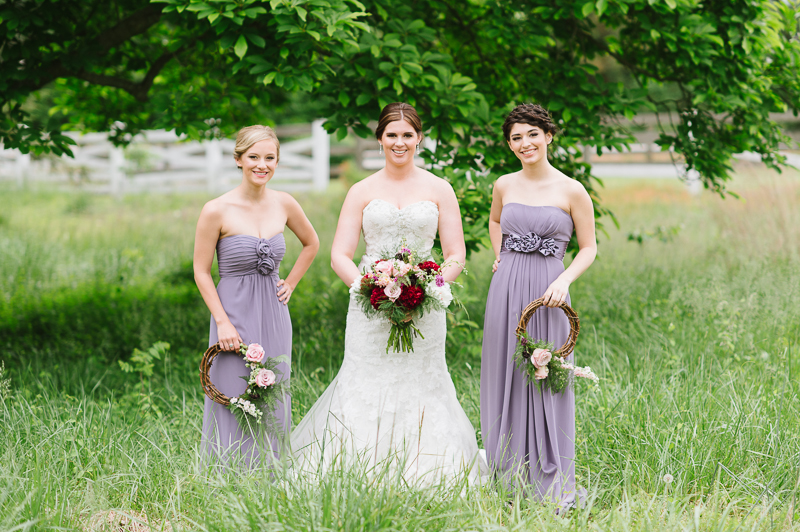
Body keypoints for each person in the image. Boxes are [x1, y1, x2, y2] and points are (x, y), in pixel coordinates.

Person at [290, 103, 487, 485]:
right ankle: (359, 468)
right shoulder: (361, 191)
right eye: (392, 135)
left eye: (408, 135)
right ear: (380, 138)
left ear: (419, 139)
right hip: (369, 310)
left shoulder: (439, 188)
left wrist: (429, 286)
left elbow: (456, 254)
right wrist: (372, 288)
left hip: (425, 307)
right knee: (366, 379)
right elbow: (339, 255)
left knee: (423, 381)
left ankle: (428, 468)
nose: (400, 142)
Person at [480, 104, 597, 507]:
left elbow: (589, 247)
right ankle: (507, 470)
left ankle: (550, 472)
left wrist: (564, 279)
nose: (524, 143)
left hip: (549, 294)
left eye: (532, 134)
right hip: (506, 288)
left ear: (548, 136)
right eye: (516, 137)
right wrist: (500, 255)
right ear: (509, 144)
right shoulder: (503, 184)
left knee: (546, 376)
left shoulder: (571, 189)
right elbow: (495, 222)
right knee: (505, 371)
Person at [194, 125, 319, 470]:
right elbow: (201, 271)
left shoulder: (284, 202)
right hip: (233, 311)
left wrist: (290, 282)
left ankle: (273, 471)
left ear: (277, 161)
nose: (262, 165)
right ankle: (228, 471)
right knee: (232, 391)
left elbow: (312, 243)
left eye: (269, 158)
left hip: (275, 312)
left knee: (274, 389)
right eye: (253, 157)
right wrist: (222, 322)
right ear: (238, 159)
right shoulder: (216, 210)